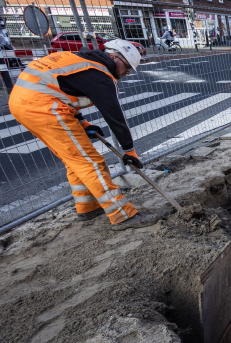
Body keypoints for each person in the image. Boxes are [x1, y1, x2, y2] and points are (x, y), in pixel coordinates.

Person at [9, 39, 159, 230]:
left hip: (23, 102)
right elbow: (115, 117)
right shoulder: (101, 75)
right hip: (43, 107)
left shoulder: (80, 59)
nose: (127, 73)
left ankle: (87, 206)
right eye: (127, 67)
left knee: (76, 160)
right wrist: (130, 151)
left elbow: (60, 88)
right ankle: (123, 215)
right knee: (90, 162)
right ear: (114, 57)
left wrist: (82, 121)